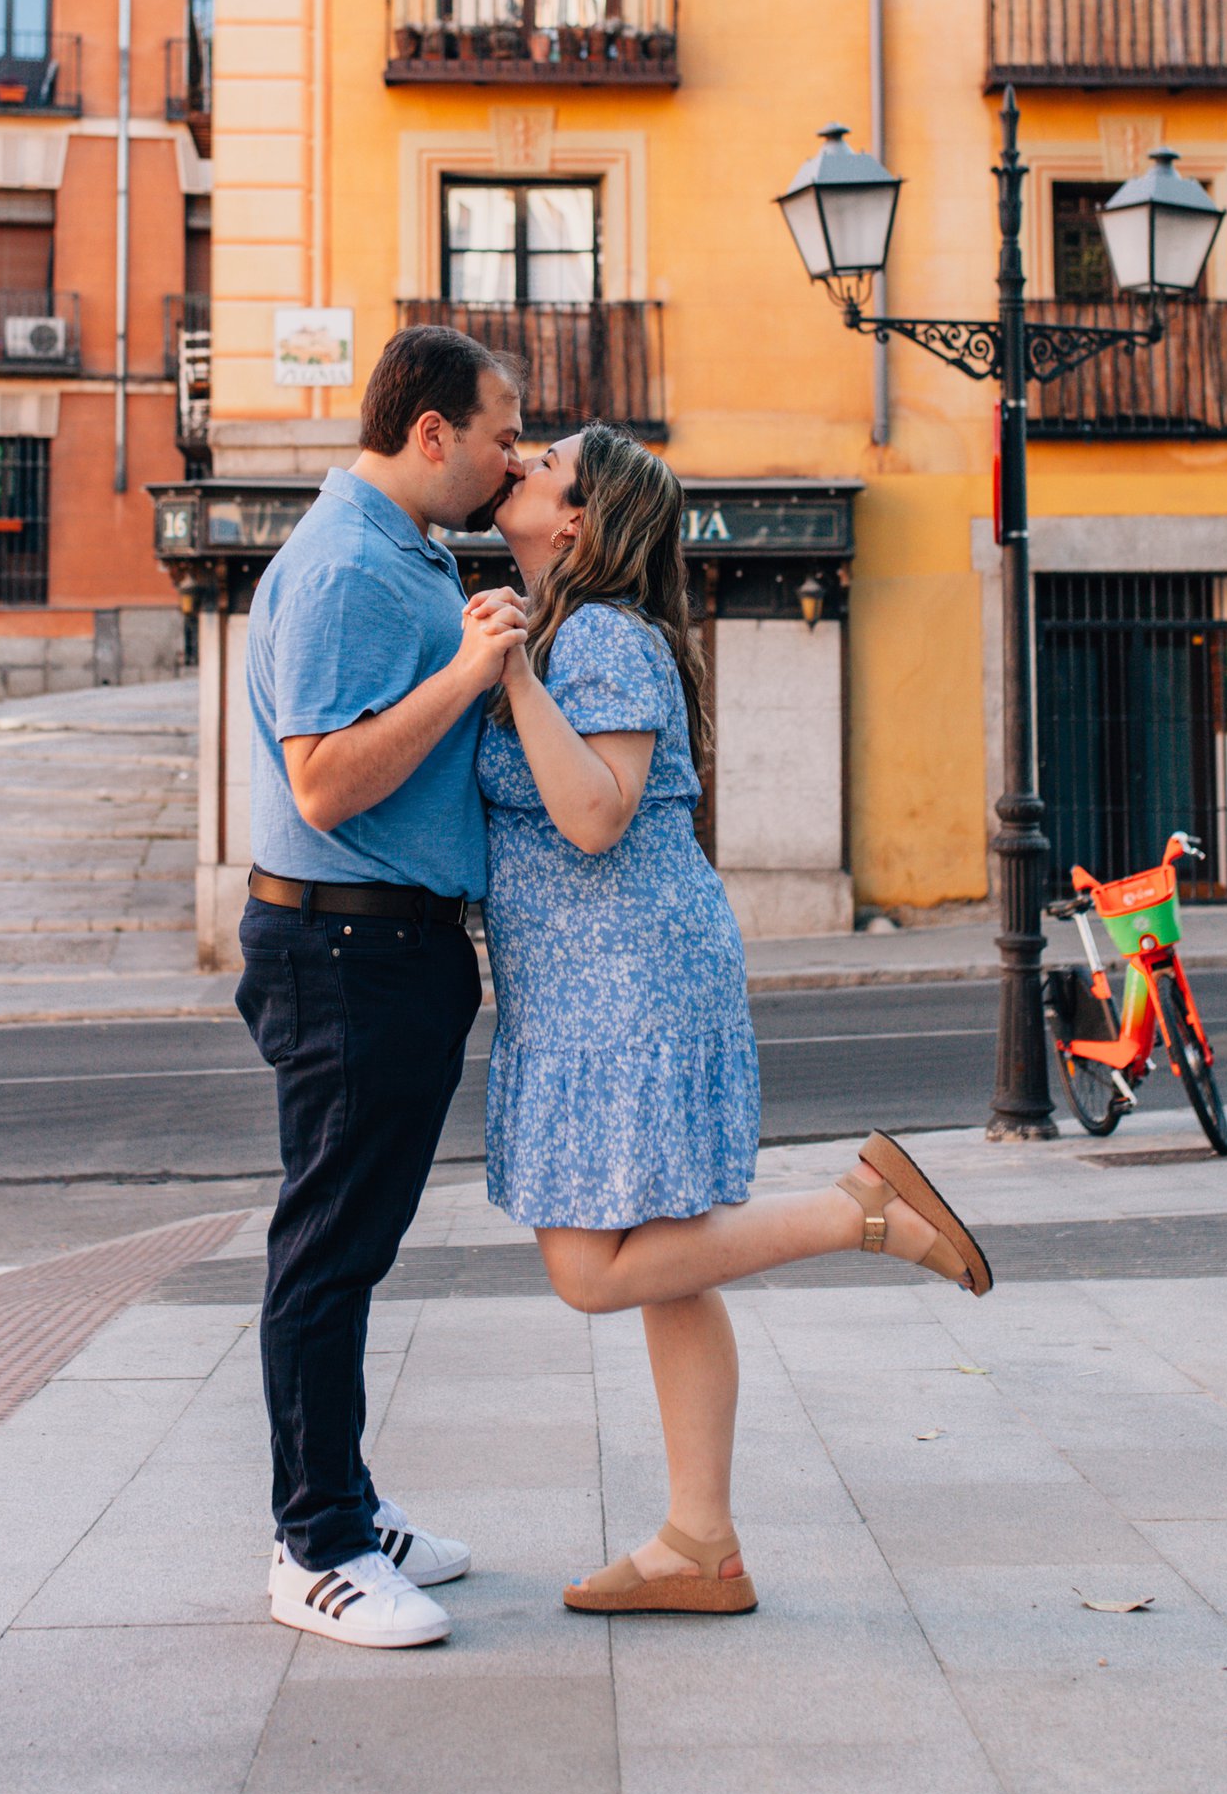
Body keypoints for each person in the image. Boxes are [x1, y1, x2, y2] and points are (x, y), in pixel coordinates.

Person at [474, 425, 992, 1617]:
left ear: (577, 521)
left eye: (545, 463)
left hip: (624, 985)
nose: (522, 461)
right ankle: (699, 1543)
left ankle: (859, 1211)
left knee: (589, 1274)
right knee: (670, 1262)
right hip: (601, 981)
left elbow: (595, 816)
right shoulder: (566, 629)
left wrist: (511, 682)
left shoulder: (598, 636)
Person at [239, 323, 528, 1650]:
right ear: (431, 433)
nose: (511, 458)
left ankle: (344, 1501)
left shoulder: (405, 550)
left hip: (386, 945)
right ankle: (317, 1548)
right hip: (345, 950)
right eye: (501, 437)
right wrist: (470, 672)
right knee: (328, 1249)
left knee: (351, 1247)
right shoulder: (350, 564)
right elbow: (322, 780)